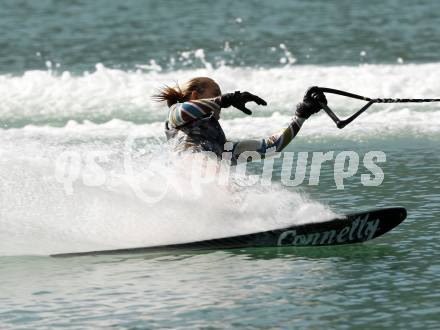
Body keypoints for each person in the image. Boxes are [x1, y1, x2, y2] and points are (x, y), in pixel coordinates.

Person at [153, 77, 326, 163]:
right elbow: (184, 110)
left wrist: (302, 115)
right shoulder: (176, 115)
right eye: (215, 94)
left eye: (219, 97)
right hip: (186, 176)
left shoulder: (224, 149)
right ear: (195, 96)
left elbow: (271, 147)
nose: (218, 101)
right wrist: (226, 99)